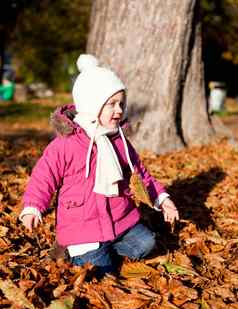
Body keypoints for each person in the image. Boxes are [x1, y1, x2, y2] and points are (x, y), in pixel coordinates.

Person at [20, 54, 179, 274]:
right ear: (92, 105)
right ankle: (79, 251)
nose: (119, 110)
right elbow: (44, 176)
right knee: (101, 271)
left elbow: (140, 174)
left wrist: (162, 198)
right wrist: (33, 207)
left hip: (120, 219)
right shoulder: (66, 144)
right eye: (111, 104)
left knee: (147, 244)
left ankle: (112, 246)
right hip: (83, 225)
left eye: (121, 104)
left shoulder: (119, 140)